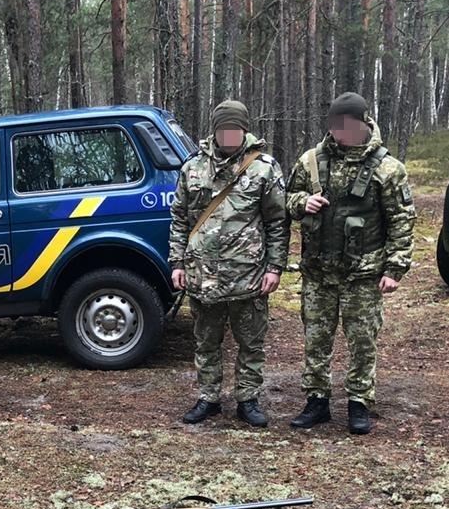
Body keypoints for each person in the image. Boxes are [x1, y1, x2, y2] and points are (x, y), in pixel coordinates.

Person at [285, 92, 415, 434]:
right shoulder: (311, 160)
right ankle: (317, 401)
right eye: (335, 125)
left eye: (347, 124)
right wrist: (303, 202)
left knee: (362, 341)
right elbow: (285, 199)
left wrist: (395, 267)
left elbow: (401, 219)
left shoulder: (388, 168)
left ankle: (359, 402)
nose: (340, 132)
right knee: (316, 338)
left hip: (363, 273)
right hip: (318, 271)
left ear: (362, 122)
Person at [168, 99, 288, 428]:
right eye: (224, 129)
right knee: (206, 341)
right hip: (202, 275)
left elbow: (278, 222)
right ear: (215, 130)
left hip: (248, 276)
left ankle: (247, 399)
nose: (229, 135)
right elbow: (179, 219)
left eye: (235, 129)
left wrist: (275, 267)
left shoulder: (264, 168)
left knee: (251, 341)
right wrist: (177, 263)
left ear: (245, 130)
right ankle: (208, 398)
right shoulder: (192, 167)